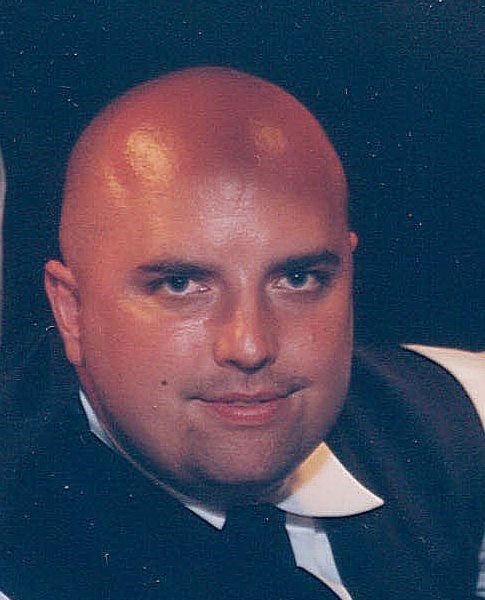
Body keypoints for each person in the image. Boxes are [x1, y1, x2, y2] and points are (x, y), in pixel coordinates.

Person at [0, 66, 483, 600]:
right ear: (71, 311)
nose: (251, 346)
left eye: (298, 279)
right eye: (181, 285)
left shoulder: (461, 417)